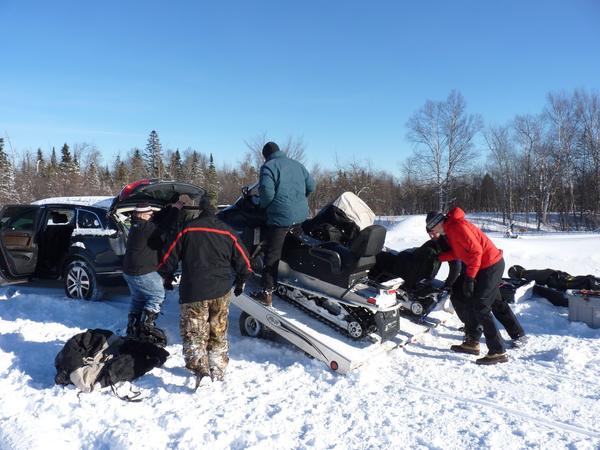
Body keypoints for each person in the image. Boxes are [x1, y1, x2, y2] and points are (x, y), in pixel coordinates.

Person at [158, 196, 252, 384]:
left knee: (194, 331)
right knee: (218, 329)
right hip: (221, 290)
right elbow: (245, 261)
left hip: (194, 290)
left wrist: (166, 275)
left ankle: (200, 369)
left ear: (200, 209)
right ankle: (217, 368)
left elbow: (169, 256)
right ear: (215, 210)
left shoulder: (187, 228)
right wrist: (241, 280)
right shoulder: (228, 232)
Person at [425, 208, 525, 365]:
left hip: (490, 265)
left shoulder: (457, 227)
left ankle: (498, 351)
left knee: (482, 305)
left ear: (437, 224)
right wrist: (440, 257)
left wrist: (470, 278)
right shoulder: (450, 229)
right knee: (461, 293)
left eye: (431, 229)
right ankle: (472, 342)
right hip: (481, 266)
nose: (431, 233)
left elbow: (476, 252)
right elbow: (460, 252)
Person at [253, 141, 315, 306]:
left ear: (265, 155)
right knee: (294, 247)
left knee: (272, 254)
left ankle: (266, 292)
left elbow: (266, 192)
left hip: (280, 218)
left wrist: (263, 205)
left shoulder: (268, 167)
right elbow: (311, 186)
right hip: (300, 215)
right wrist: (298, 200)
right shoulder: (297, 165)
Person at [123, 202, 181, 337]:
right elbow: (165, 226)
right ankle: (146, 328)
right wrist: (175, 210)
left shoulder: (136, 225)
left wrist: (168, 208)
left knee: (138, 299)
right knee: (157, 295)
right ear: (143, 215)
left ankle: (132, 327)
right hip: (142, 271)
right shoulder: (145, 227)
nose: (152, 216)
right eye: (150, 214)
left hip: (129, 271)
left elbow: (158, 219)